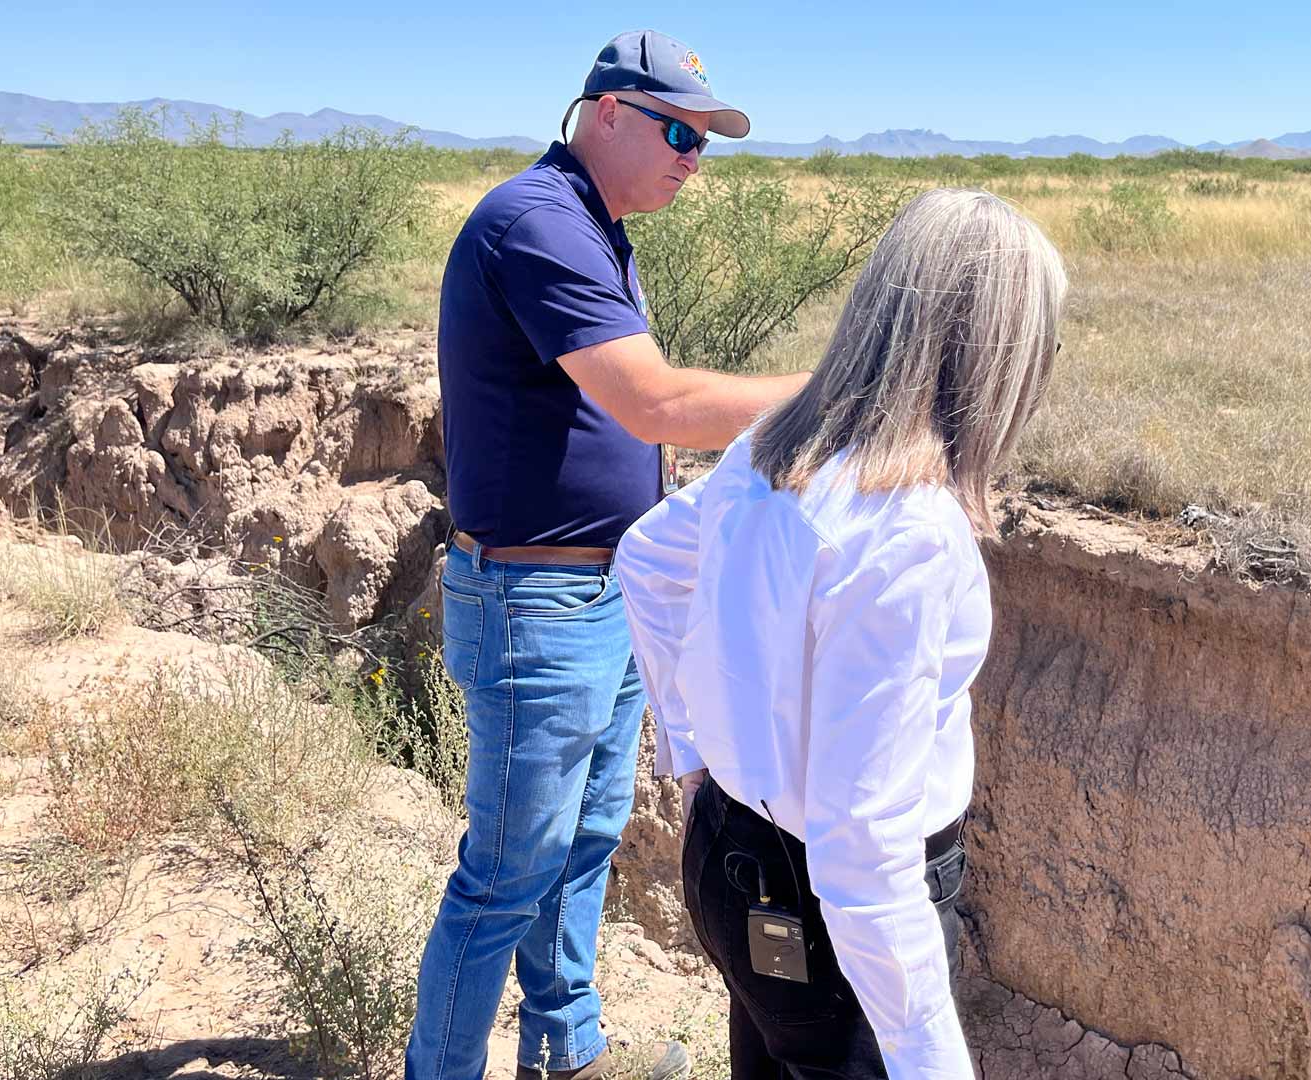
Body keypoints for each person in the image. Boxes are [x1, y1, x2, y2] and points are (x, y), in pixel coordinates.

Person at [408, 30, 810, 1080]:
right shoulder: (537, 222)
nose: (693, 157)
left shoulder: (594, 227)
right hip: (534, 603)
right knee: (506, 873)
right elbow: (659, 404)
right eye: (679, 131)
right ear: (608, 114)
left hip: (598, 596)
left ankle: (564, 1050)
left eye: (706, 142)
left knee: (582, 847)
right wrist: (845, 393)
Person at [615, 189, 1068, 1079]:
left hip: (729, 853)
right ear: (991, 357)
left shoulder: (768, 450)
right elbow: (861, 842)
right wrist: (934, 1062)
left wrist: (698, 748)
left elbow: (647, 558)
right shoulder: (913, 534)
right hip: (835, 923)